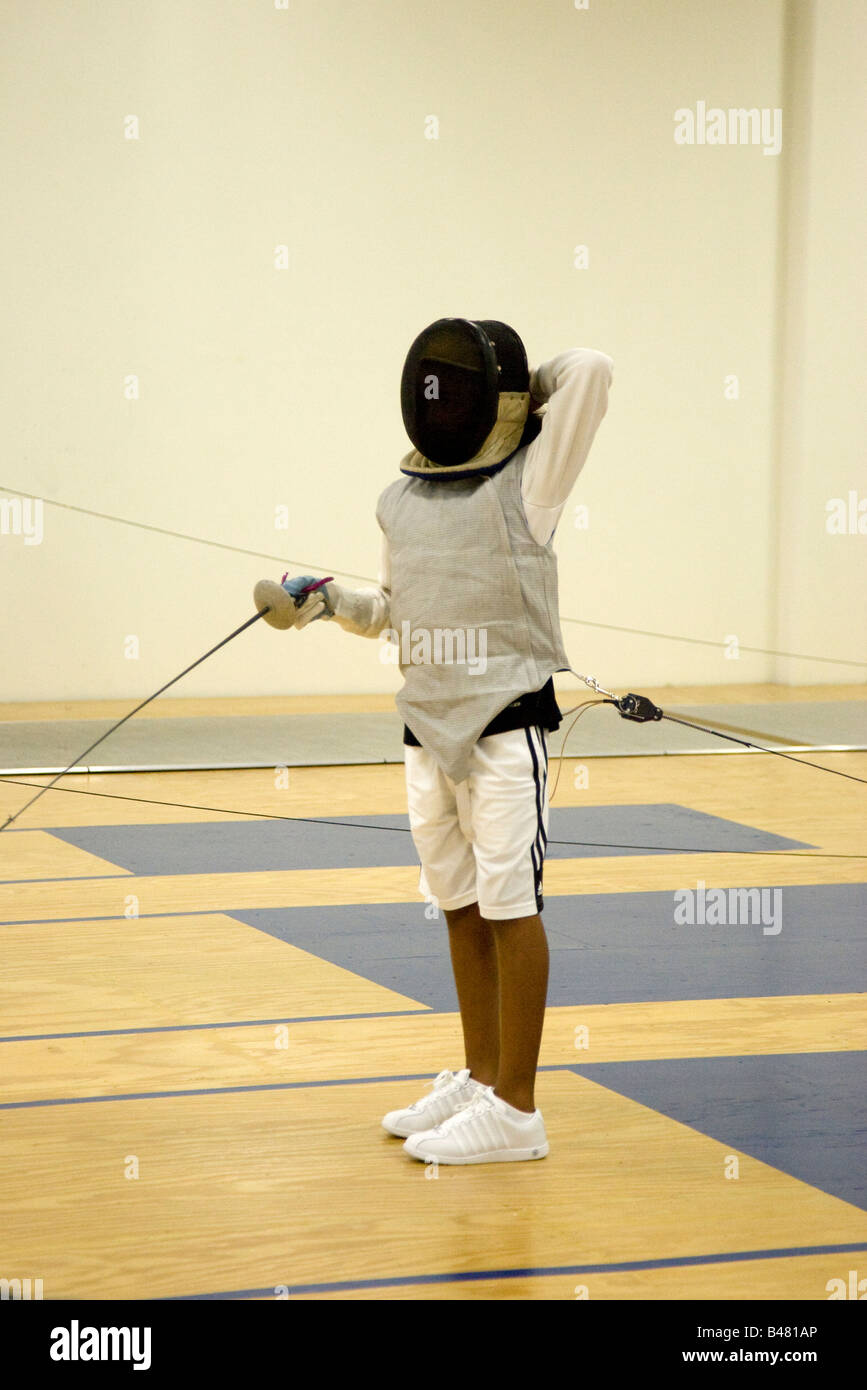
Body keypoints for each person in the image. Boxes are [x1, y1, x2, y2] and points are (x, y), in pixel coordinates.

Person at [285, 318, 612, 1165]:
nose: (443, 398)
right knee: (459, 906)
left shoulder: (530, 484)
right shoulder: (399, 499)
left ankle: (518, 1109)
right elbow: (394, 607)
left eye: (461, 386)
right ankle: (478, 1075)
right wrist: (325, 602)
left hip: (504, 725)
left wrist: (511, 391)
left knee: (510, 908)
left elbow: (590, 370)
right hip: (424, 730)